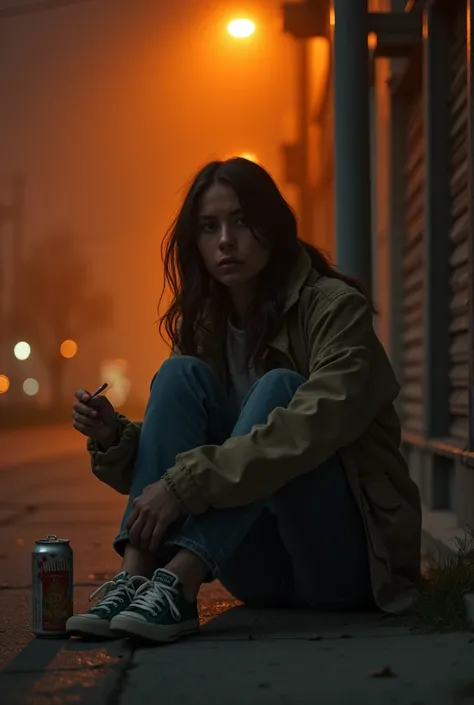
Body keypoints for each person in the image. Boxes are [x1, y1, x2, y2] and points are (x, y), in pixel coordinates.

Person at [66, 157, 421, 644]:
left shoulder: (335, 308)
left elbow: (310, 428)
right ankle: (136, 577)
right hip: (256, 571)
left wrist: (186, 484)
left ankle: (180, 582)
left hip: (347, 567)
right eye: (209, 227)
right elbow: (170, 476)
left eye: (240, 221)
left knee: (281, 389)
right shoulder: (205, 326)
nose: (225, 241)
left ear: (271, 226)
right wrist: (115, 439)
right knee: (177, 373)